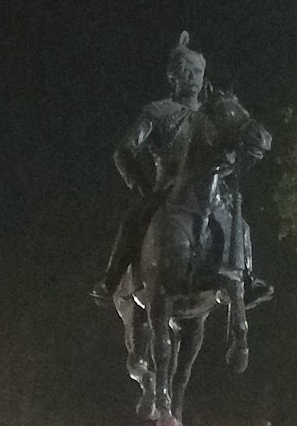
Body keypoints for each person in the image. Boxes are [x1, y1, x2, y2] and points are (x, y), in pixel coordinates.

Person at [91, 32, 270, 307]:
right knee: (133, 219)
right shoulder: (157, 112)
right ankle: (111, 279)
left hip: (209, 191)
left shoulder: (212, 113)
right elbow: (124, 151)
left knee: (241, 225)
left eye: (198, 72)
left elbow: (226, 146)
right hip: (166, 189)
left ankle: (246, 279)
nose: (194, 78)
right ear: (174, 76)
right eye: (187, 72)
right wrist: (143, 186)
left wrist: (234, 161)